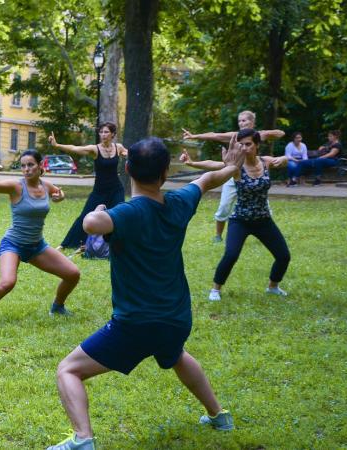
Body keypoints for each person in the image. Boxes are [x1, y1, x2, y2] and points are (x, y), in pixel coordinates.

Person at [46, 136, 244, 450]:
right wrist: (233, 165)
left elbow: (91, 223)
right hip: (177, 319)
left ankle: (83, 439)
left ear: (126, 168)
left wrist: (98, 209)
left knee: (68, 369)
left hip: (135, 325)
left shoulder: (128, 213)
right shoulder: (180, 202)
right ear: (165, 171)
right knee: (175, 354)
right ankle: (218, 415)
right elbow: (207, 179)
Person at [0, 150, 80, 328]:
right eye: (23, 166)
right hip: (13, 244)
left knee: (73, 274)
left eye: (30, 165)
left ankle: (58, 307)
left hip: (37, 246)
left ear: (40, 165)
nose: (26, 169)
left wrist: (61, 196)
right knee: (7, 283)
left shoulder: (46, 186)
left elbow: (58, 194)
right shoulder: (16, 187)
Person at [181, 129, 290, 301]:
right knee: (231, 255)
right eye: (242, 145)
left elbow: (284, 161)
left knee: (284, 256)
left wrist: (283, 158)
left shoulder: (265, 162)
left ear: (257, 145)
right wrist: (192, 163)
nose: (245, 148)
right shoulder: (236, 167)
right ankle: (215, 289)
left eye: (249, 144)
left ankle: (273, 286)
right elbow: (213, 164)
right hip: (240, 220)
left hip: (263, 220)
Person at [182, 111, 284, 242]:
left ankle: (267, 233)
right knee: (224, 207)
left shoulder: (257, 137)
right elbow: (215, 136)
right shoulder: (234, 136)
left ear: (252, 122)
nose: (241, 123)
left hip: (253, 176)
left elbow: (281, 133)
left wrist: (266, 134)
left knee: (265, 208)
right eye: (239, 121)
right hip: (234, 174)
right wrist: (194, 136)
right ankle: (218, 236)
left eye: (244, 121)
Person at [48, 122, 127, 250]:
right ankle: (66, 244)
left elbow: (130, 153)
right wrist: (57, 145)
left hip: (116, 189)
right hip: (99, 190)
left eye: (106, 132)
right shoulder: (94, 149)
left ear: (113, 134)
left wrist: (128, 154)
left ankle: (118, 245)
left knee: (119, 216)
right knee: (85, 216)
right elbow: (75, 148)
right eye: (101, 132)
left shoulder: (118, 147)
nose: (103, 134)